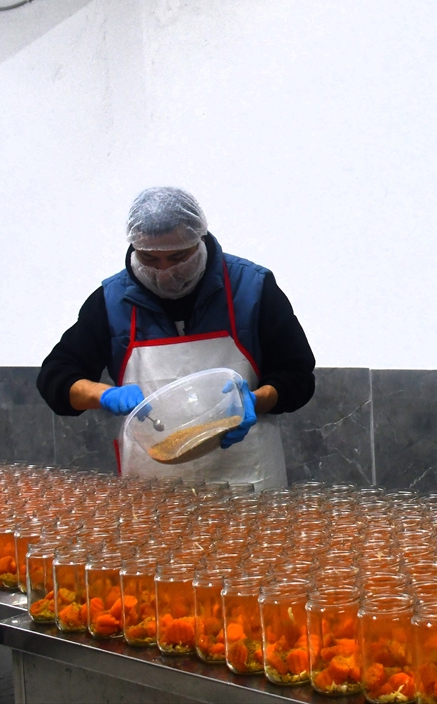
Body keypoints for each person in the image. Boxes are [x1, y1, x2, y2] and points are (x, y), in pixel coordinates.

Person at [38, 187, 315, 490]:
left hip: (247, 482)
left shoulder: (251, 288)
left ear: (199, 239)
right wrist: (103, 395)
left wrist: (255, 401)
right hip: (153, 489)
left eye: (178, 257)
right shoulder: (111, 301)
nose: (165, 271)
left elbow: (297, 375)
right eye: (149, 258)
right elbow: (56, 376)